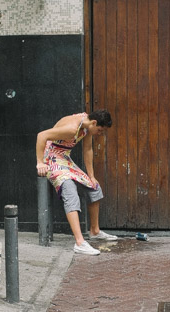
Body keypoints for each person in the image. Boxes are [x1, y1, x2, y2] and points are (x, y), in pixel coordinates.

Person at [35, 109, 117, 255]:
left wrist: (91, 176)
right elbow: (42, 135)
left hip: (64, 158)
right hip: (51, 158)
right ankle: (79, 242)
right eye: (99, 130)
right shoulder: (73, 129)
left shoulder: (86, 126)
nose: (100, 133)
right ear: (94, 122)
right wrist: (40, 162)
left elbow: (88, 149)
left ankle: (95, 231)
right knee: (69, 190)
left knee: (94, 187)